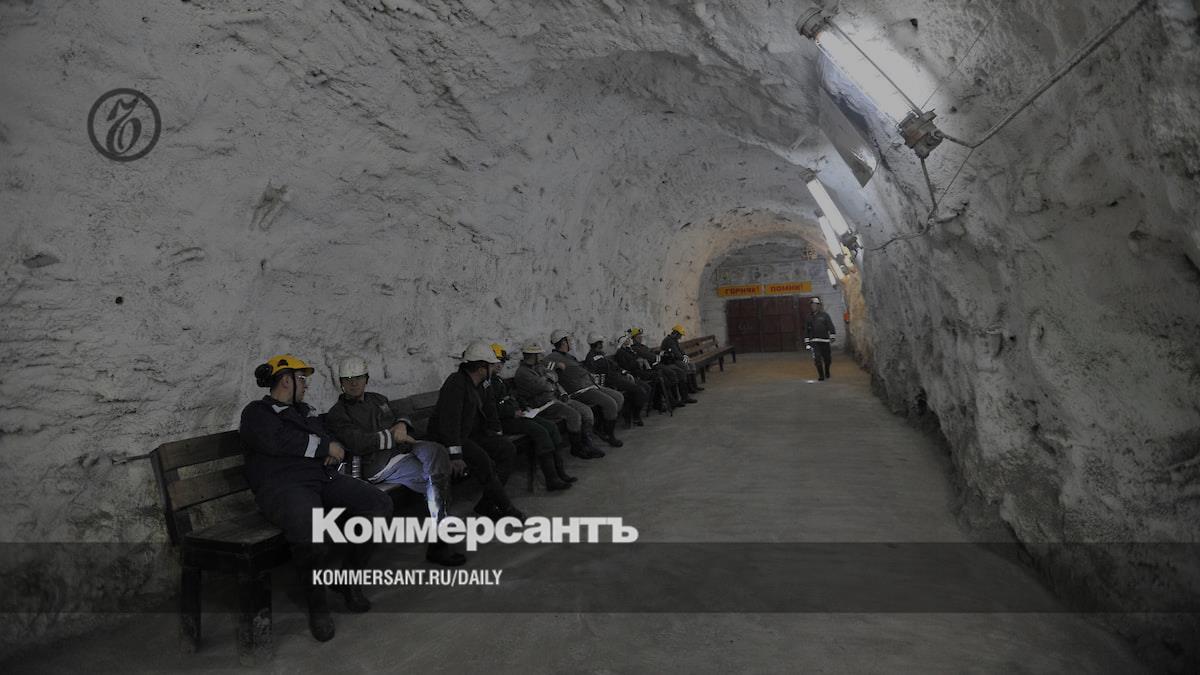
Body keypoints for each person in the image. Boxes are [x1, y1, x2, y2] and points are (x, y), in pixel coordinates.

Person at [239, 354, 393, 642]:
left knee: (379, 505)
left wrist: (328, 448)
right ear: (286, 380)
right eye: (301, 379)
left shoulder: (304, 411)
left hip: (320, 479)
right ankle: (318, 606)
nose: (306, 385)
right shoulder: (258, 412)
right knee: (312, 531)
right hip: (283, 487)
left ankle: (348, 580)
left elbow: (327, 437)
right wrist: (324, 448)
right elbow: (278, 441)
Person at [324, 355, 466, 567]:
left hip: (403, 449)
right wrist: (393, 436)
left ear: (366, 378)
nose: (353, 383)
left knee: (437, 452)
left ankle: (440, 531)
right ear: (341, 383)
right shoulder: (338, 413)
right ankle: (440, 540)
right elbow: (357, 442)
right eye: (348, 379)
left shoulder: (377, 399)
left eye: (358, 378)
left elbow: (402, 412)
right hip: (377, 463)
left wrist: (401, 424)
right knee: (436, 477)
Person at [427, 341, 526, 521]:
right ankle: (507, 508)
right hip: (451, 439)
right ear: (481, 368)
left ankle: (486, 503)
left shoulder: (482, 384)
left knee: (507, 449)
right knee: (484, 462)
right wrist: (455, 456)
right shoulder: (456, 383)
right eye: (490, 365)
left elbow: (490, 409)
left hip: (471, 434)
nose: (493, 368)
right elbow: (449, 422)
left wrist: (496, 431)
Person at [485, 344, 576, 490]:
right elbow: (490, 409)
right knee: (540, 432)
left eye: (502, 361)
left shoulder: (498, 379)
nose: (500, 365)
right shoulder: (487, 383)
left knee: (551, 427)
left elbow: (512, 397)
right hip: (504, 421)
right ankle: (551, 478)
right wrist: (512, 412)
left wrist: (523, 406)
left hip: (518, 414)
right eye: (496, 361)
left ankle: (560, 471)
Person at [513, 341, 605, 459]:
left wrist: (549, 380)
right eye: (539, 354)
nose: (541, 356)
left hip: (556, 398)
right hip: (542, 405)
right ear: (532, 355)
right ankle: (577, 448)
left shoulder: (538, 367)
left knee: (586, 411)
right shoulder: (522, 373)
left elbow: (554, 377)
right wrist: (549, 379)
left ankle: (587, 443)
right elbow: (543, 386)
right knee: (574, 415)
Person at [544, 329, 625, 447]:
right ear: (563, 342)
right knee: (610, 403)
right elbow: (542, 367)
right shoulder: (552, 357)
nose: (571, 342)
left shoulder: (569, 356)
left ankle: (601, 426)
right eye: (569, 340)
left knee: (619, 397)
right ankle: (609, 435)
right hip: (579, 390)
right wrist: (556, 365)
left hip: (590, 385)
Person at [584, 332, 650, 427]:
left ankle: (632, 413)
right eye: (601, 343)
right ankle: (635, 416)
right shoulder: (591, 358)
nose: (603, 344)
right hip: (611, 381)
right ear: (597, 344)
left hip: (618, 377)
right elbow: (594, 375)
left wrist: (625, 372)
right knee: (639, 390)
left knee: (646, 387)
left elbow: (614, 366)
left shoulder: (601, 355)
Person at [627, 327, 696, 406]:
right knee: (671, 373)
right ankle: (674, 400)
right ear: (634, 338)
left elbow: (652, 353)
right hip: (652, 367)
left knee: (679, 372)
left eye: (641, 336)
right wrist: (660, 356)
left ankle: (681, 398)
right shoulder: (635, 348)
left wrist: (659, 353)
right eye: (638, 337)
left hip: (658, 364)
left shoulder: (642, 346)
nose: (640, 338)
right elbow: (650, 356)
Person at [660, 324, 704, 394]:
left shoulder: (674, 340)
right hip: (671, 361)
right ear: (676, 333)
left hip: (676, 359)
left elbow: (681, 351)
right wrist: (684, 359)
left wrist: (685, 357)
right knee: (685, 366)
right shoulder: (669, 341)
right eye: (680, 335)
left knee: (691, 364)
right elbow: (676, 354)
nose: (680, 337)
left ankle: (694, 386)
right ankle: (690, 388)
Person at [804, 297, 837, 381]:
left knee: (827, 359)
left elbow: (830, 326)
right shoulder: (808, 317)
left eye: (815, 305)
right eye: (812, 305)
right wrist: (807, 341)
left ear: (819, 306)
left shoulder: (825, 315)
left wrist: (832, 335)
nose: (813, 306)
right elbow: (806, 330)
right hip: (814, 342)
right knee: (817, 359)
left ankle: (827, 371)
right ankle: (821, 375)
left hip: (825, 341)